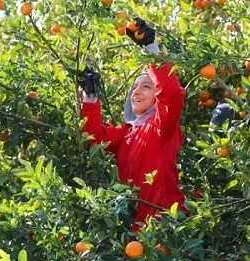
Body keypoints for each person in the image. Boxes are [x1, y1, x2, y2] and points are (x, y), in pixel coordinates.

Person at [78, 17, 189, 231]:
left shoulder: (162, 127)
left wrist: (151, 49)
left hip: (167, 222)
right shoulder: (126, 134)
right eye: (135, 88)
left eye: (146, 86)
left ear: (157, 95)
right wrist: (89, 97)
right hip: (139, 229)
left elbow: (171, 93)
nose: (136, 92)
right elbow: (93, 139)